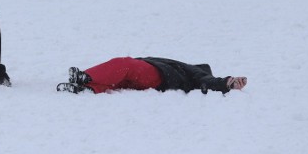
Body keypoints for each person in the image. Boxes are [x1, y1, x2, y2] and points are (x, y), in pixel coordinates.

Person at [56, 56, 247, 95]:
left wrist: (225, 83)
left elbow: (209, 81)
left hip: (160, 75)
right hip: (157, 81)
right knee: (118, 81)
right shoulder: (187, 72)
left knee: (125, 64)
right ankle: (87, 89)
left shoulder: (195, 71)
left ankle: (86, 77)